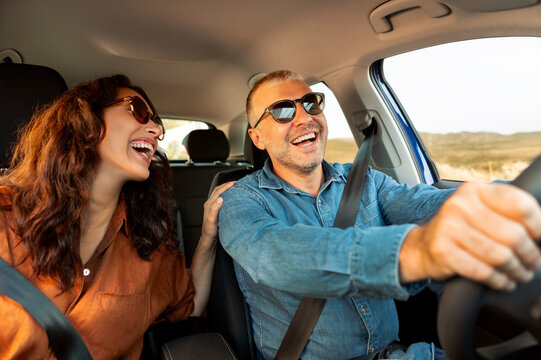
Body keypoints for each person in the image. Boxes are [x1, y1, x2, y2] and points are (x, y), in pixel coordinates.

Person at [217, 70, 541, 359]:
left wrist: (511, 200)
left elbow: (427, 202)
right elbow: (274, 255)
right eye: (282, 111)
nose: (304, 117)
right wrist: (418, 250)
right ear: (257, 137)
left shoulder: (365, 180)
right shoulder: (240, 201)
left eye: (311, 103)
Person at [0, 74, 234, 359]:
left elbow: (191, 304)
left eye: (157, 123)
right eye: (139, 111)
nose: (157, 130)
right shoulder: (6, 215)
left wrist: (208, 236)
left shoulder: (148, 248)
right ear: (86, 120)